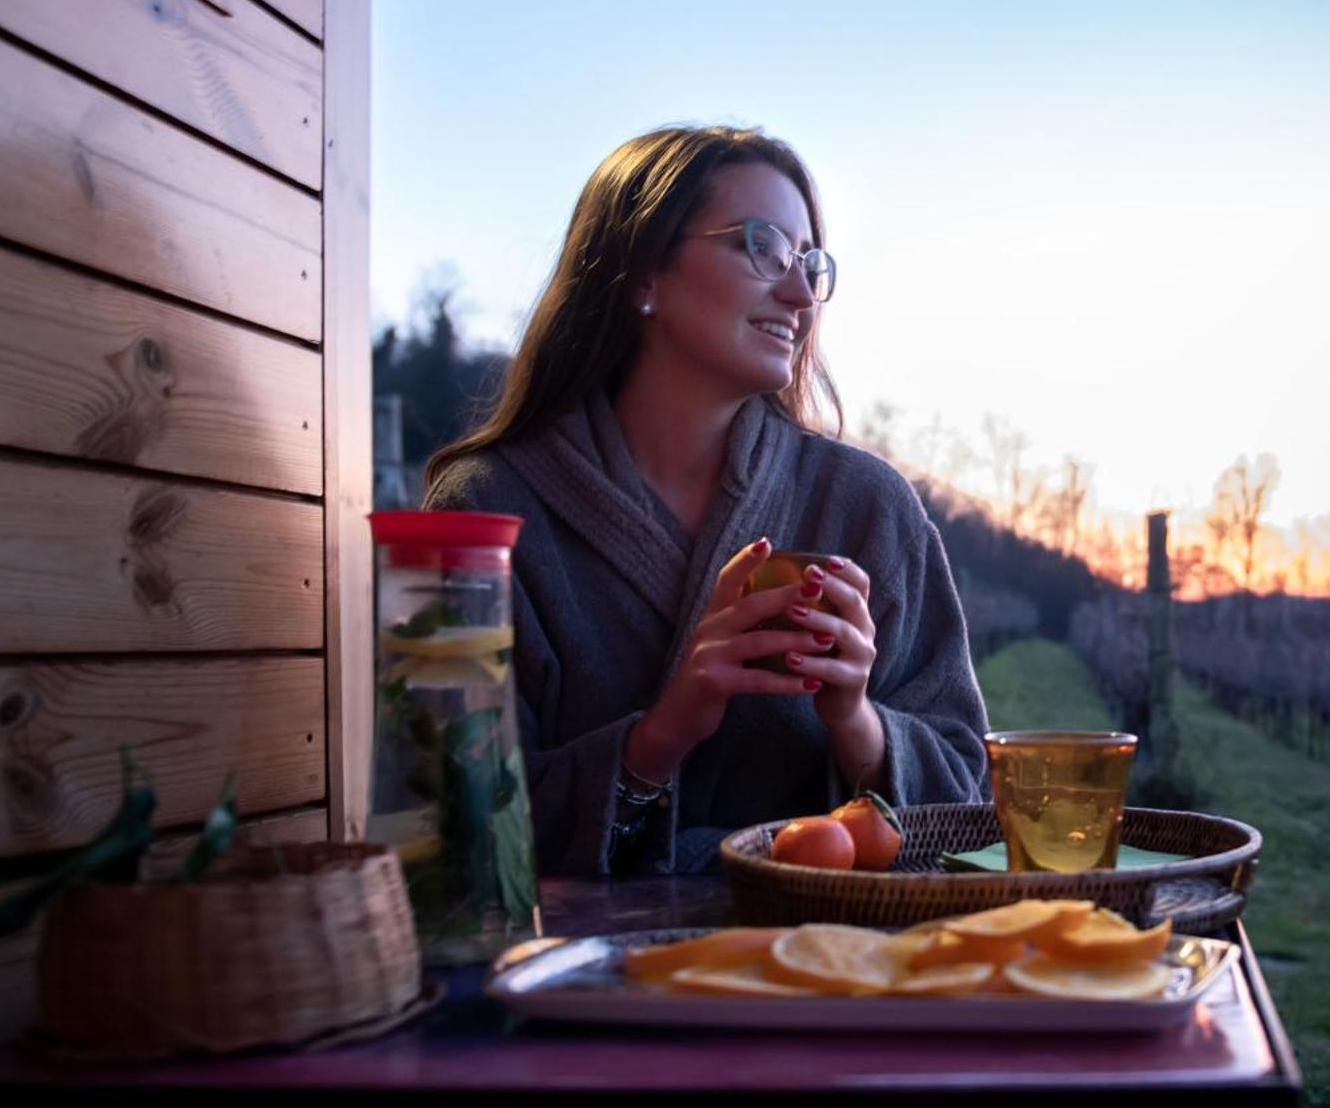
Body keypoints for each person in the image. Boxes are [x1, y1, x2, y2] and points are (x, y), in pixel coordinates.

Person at [423, 125, 990, 874]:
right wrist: (663, 732)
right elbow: (455, 832)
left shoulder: (867, 508)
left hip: (829, 968)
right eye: (761, 247)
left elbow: (971, 805)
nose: (798, 295)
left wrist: (856, 719)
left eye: (808, 263)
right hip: (575, 977)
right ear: (641, 274)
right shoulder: (485, 513)